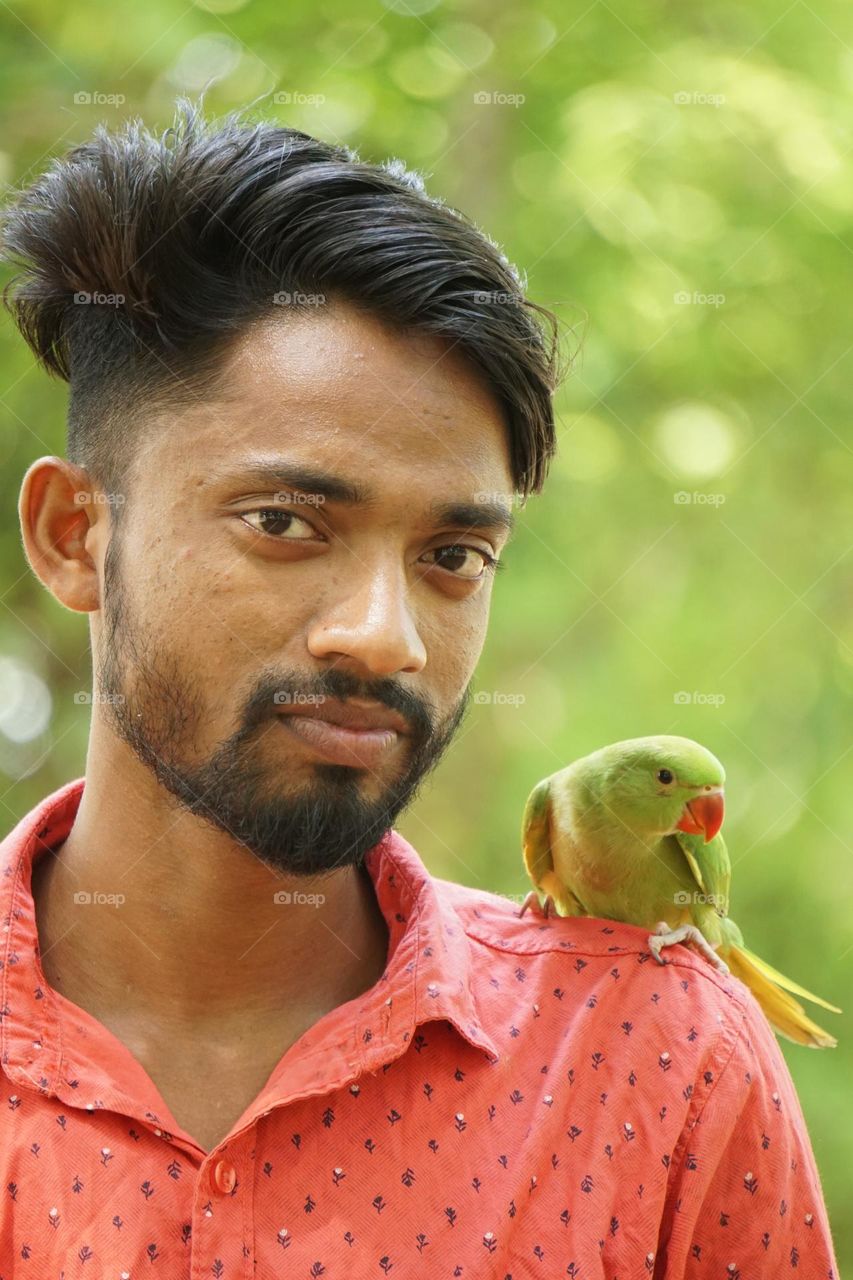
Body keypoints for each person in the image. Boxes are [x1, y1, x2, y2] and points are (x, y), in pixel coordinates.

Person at [0, 101, 838, 1278]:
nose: (382, 638)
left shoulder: (662, 1057)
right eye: (285, 522)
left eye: (452, 557)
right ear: (75, 536)